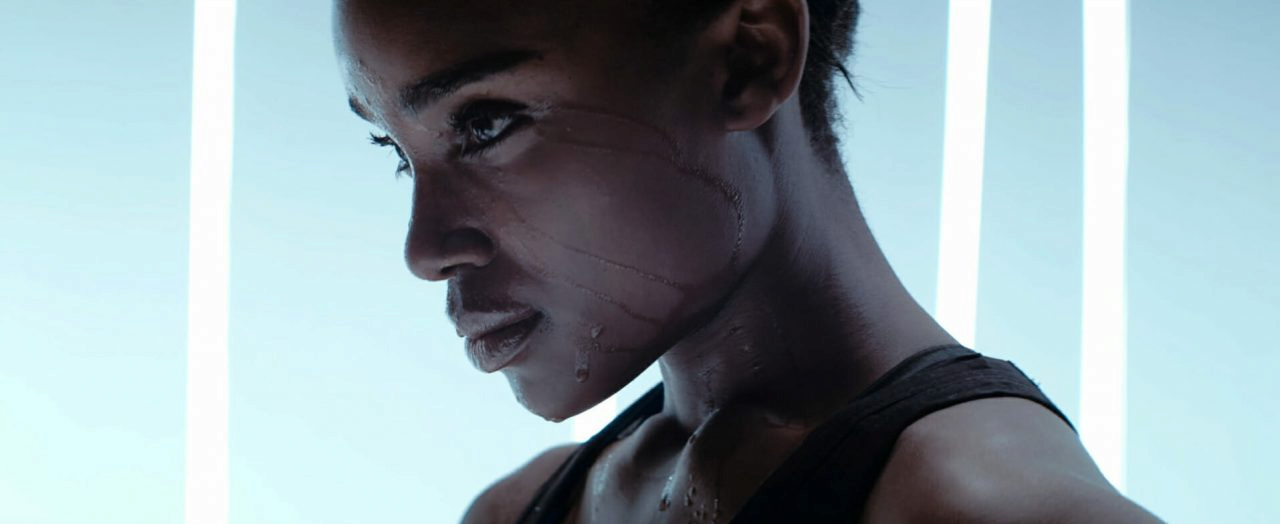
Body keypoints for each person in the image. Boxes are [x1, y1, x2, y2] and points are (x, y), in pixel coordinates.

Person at [333, 0, 1162, 521]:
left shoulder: (998, 509)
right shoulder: (520, 508)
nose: (424, 249)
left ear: (749, 63)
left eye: (485, 124)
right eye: (397, 152)